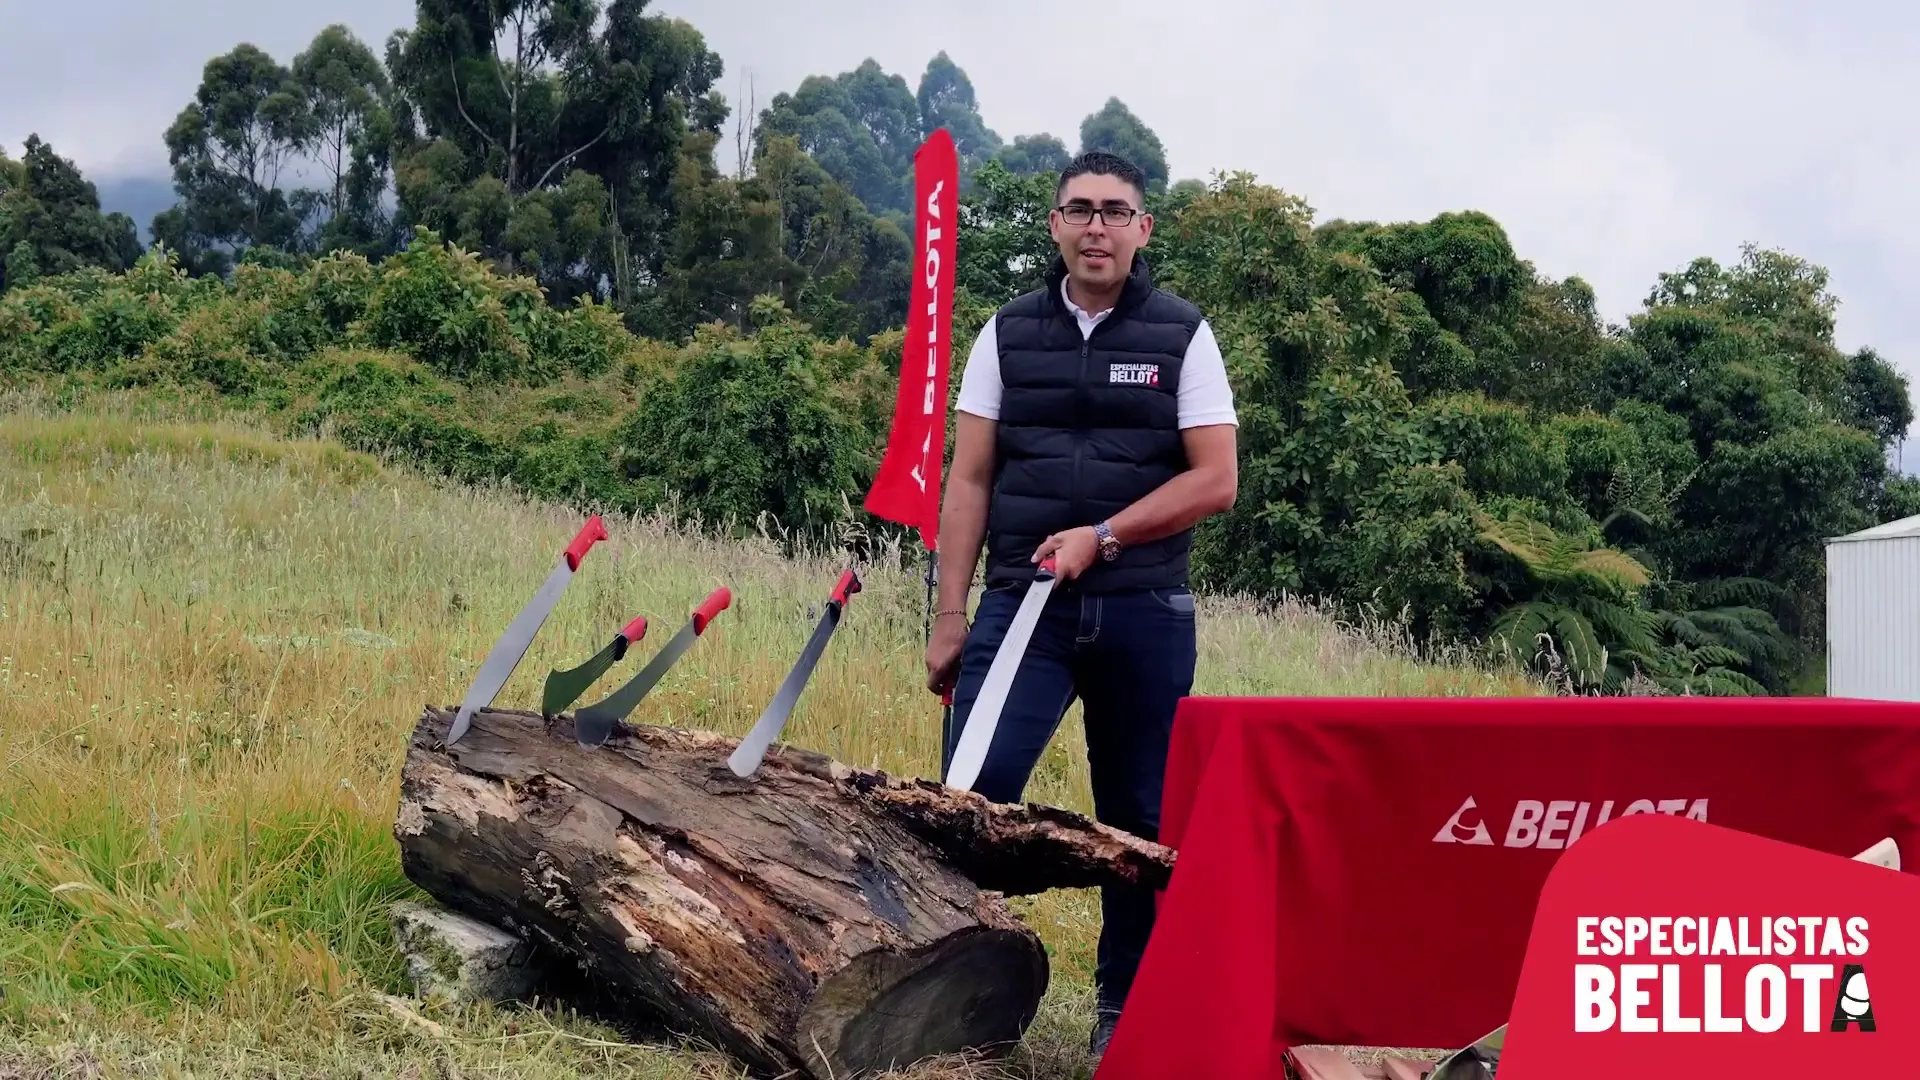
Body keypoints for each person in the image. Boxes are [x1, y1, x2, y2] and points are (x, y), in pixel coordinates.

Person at [925, 149, 1239, 1057]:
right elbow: (970, 479)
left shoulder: (1184, 335)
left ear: (1143, 229)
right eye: (1079, 210)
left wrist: (1105, 537)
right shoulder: (1006, 334)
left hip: (1144, 608)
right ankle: (954, 1001)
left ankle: (1122, 1017)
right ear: (1056, 224)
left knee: (1138, 822)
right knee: (967, 799)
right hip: (1024, 607)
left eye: (1114, 211)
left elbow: (1216, 480)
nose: (1095, 225)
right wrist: (952, 618)